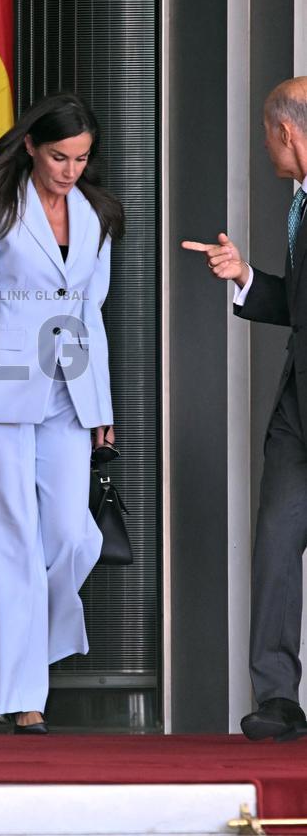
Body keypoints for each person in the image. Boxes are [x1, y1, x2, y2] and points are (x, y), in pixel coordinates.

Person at [0, 93, 124, 732]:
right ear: (30, 147)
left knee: (74, 536)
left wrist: (100, 404)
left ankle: (33, 646)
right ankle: (25, 699)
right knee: (9, 541)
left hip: (70, 392)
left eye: (81, 157)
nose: (70, 169)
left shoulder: (96, 214)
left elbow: (90, 316)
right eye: (58, 156)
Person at [183, 76, 307, 741]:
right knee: (276, 546)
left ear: (286, 131)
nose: (264, 146)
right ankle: (279, 700)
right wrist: (245, 278)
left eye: (266, 132)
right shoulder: (302, 205)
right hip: (296, 414)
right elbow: (301, 304)